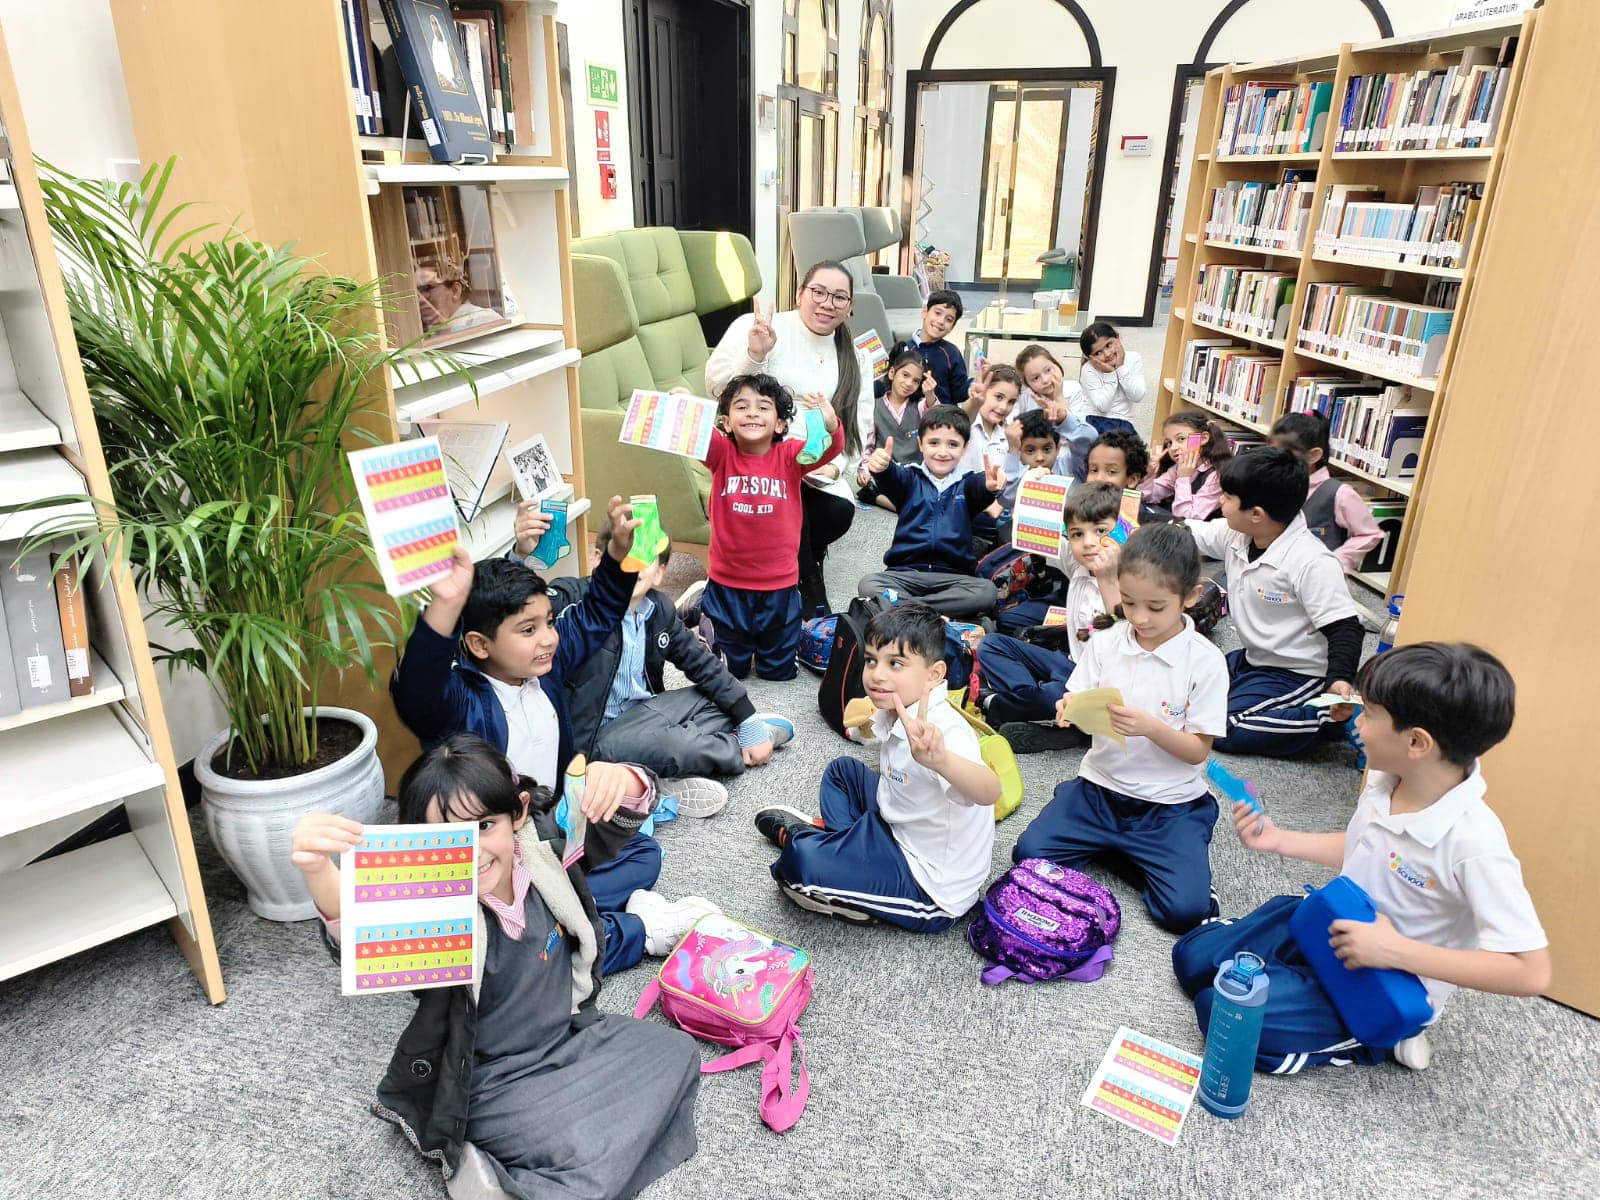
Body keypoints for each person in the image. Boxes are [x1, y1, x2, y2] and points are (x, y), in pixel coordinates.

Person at [291, 736, 702, 1198]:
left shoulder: (547, 853)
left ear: (519, 814)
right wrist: (319, 874)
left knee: (677, 1051)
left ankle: (561, 1137)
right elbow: (358, 935)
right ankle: (493, 1175)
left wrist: (623, 779)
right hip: (489, 1079)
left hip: (570, 1036)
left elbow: (617, 819)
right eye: (446, 839)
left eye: (484, 826)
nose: (470, 851)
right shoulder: (435, 911)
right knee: (582, 1160)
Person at [1173, 643, 1550, 1073]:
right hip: (1331, 921)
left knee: (1221, 1012)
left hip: (1381, 979)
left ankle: (1379, 1039)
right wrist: (1278, 840)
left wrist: (1395, 951)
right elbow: (1367, 848)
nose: (1357, 722)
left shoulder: (1475, 844)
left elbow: (1529, 972)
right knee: (1192, 960)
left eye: (1368, 713)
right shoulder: (1388, 779)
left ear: (1416, 742)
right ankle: (1291, 977)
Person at [390, 498, 717, 975]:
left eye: (547, 622)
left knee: (643, 852)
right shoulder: (460, 702)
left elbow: (597, 611)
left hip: (543, 831)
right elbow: (417, 689)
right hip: (489, 857)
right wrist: (445, 605)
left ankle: (556, 911)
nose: (548, 638)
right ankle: (619, 930)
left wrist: (622, 556)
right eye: (529, 629)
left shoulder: (546, 668)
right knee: (523, 940)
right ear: (479, 645)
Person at [1012, 523, 1229, 933]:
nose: (1140, 617)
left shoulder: (1206, 662)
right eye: (1128, 603)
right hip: (1101, 788)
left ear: (1191, 596)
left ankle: (1137, 846)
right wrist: (1068, 707)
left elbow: (1197, 751)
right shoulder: (1108, 639)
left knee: (1184, 913)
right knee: (1029, 858)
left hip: (1168, 804)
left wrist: (1150, 727)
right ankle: (1117, 844)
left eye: (1157, 606)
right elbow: (1077, 696)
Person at [754, 604, 1000, 927]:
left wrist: (941, 761)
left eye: (895, 663)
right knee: (842, 772)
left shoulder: (945, 731)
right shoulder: (896, 708)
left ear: (934, 676)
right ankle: (845, 853)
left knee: (798, 863)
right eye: (871, 660)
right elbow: (860, 728)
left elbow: (990, 790)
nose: (876, 674)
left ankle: (827, 855)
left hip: (930, 884)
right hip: (897, 825)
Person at [546, 516, 795, 816]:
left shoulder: (658, 609)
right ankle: (729, 750)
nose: (635, 563)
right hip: (596, 737)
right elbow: (541, 603)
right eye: (624, 552)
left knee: (718, 700)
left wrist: (748, 717)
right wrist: (524, 555)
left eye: (645, 556)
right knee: (674, 743)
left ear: (660, 573)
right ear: (600, 559)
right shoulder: (576, 601)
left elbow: (702, 664)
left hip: (646, 712)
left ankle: (650, 775)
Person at [706, 261, 873, 617]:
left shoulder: (856, 357)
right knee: (786, 492)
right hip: (753, 457)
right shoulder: (763, 328)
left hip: (816, 461)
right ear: (800, 293)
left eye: (839, 297)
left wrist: (835, 467)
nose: (828, 303)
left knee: (838, 511)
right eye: (819, 292)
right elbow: (719, 388)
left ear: (850, 306)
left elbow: (859, 425)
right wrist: (755, 355)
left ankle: (783, 579)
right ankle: (811, 592)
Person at [1185, 447, 1364, 758]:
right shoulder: (1240, 534)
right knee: (1184, 690)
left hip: (1299, 673)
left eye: (1227, 497)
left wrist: (1337, 682)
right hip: (1255, 659)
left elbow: (1346, 628)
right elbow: (1191, 532)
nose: (1220, 502)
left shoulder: (1311, 560)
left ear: (1256, 514)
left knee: (1222, 727)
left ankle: (1331, 720)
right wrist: (1129, 521)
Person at [699, 373, 842, 680]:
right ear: (726, 422)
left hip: (779, 583)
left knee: (778, 672)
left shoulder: (790, 456)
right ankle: (706, 610)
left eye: (763, 407)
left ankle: (781, 647)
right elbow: (694, 435)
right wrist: (682, 407)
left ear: (779, 424)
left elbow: (828, 448)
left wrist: (830, 424)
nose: (752, 412)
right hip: (727, 582)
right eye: (741, 406)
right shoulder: (721, 454)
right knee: (726, 672)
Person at [977, 482, 1123, 751]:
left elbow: (1120, 641)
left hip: (1105, 684)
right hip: (1071, 664)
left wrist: (1106, 578)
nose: (1089, 543)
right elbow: (1029, 532)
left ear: (1122, 532)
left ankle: (1005, 705)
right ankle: (1051, 715)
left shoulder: (1135, 577)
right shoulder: (1076, 563)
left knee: (1056, 695)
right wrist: (1034, 482)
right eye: (1078, 534)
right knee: (992, 644)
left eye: (1101, 531)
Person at [855, 405, 1006, 619]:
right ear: (920, 444)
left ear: (964, 448)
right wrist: (882, 467)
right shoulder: (910, 478)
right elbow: (892, 478)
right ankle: (933, 613)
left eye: (953, 444)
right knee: (869, 584)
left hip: (953, 578)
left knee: (986, 592)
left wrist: (991, 486)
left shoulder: (967, 483)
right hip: (905, 573)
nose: (942, 452)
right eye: (934, 443)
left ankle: (907, 610)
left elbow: (980, 488)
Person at [1270, 411, 1384, 572]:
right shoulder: (1273, 482)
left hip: (1317, 580)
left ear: (1313, 455)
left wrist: (1337, 561)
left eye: (1284, 452)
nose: (1274, 458)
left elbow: (1370, 534)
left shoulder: (1339, 493)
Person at [858, 345, 935, 510]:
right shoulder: (874, 407)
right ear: (892, 373)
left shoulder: (920, 406)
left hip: (913, 474)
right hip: (886, 472)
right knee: (922, 504)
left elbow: (936, 422)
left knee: (923, 499)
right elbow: (868, 446)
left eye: (916, 380)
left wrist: (930, 395)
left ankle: (876, 497)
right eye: (905, 375)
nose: (909, 383)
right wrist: (864, 470)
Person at [959, 364, 1025, 549]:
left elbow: (1010, 490)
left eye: (1011, 401)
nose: (1004, 407)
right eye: (998, 397)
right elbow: (960, 421)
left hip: (997, 514)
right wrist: (974, 402)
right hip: (961, 506)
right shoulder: (968, 423)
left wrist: (1014, 449)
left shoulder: (1009, 433)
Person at [1012, 344, 1096, 482]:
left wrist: (1059, 397)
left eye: (1048, 370)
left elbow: (1080, 435)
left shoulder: (1073, 389)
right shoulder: (1026, 398)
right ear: (1028, 384)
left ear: (1056, 364)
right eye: (1035, 378)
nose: (1045, 380)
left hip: (1070, 460)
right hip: (1034, 462)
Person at [1140, 409, 1232, 521]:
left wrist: (1183, 478)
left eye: (1181, 439)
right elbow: (1146, 496)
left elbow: (1187, 518)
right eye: (1169, 442)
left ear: (1203, 439)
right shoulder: (1178, 468)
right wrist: (1149, 475)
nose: (1173, 448)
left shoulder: (1217, 476)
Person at [1077, 321, 1145, 435]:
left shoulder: (1134, 358)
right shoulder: (1088, 369)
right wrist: (1110, 374)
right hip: (1095, 420)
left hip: (1123, 421)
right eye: (1098, 353)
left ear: (1117, 339)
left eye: (1109, 345)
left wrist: (1120, 368)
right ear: (1091, 358)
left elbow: (1137, 396)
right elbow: (1102, 407)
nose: (1107, 354)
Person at [908, 288, 972, 406]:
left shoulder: (952, 353)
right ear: (925, 312)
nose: (941, 321)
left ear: (952, 327)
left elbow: (959, 392)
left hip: (943, 418)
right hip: (910, 417)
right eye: (937, 313)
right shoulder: (905, 349)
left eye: (949, 319)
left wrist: (975, 383)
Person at [415, 257, 497, 337]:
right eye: (417, 292)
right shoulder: (426, 332)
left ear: (455, 291)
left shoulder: (484, 320)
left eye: (427, 288)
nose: (420, 298)